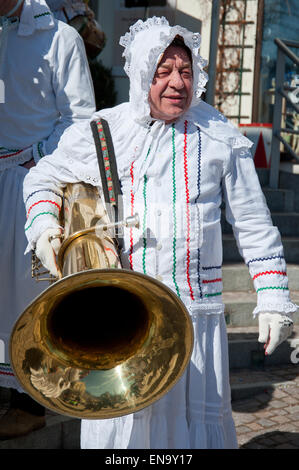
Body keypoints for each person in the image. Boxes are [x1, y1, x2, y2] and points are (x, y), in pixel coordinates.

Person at [22, 17, 297, 449]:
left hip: (194, 319)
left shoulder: (220, 136)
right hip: (124, 322)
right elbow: (42, 179)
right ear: (140, 74)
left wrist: (273, 296)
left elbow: (254, 223)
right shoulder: (104, 131)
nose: (177, 83)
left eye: (185, 71)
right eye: (163, 70)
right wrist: (42, 227)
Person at [0, 0, 95, 439]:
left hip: (28, 180)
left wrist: (35, 158)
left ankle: (30, 399)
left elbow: (80, 120)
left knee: (25, 288)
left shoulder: (60, 37)